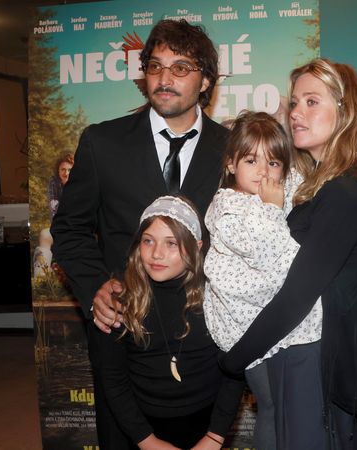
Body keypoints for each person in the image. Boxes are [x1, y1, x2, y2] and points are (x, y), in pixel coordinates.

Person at [51, 19, 228, 449]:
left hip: (204, 346)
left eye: (181, 68)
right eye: (155, 66)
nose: (164, 78)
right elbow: (69, 228)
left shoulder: (233, 150)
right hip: (122, 338)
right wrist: (96, 287)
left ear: (206, 80)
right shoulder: (102, 142)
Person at [219, 59, 357, 450]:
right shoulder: (331, 184)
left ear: (346, 111)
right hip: (311, 359)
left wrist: (234, 360)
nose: (296, 112)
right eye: (295, 103)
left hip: (316, 364)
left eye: (312, 101)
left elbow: (296, 297)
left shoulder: (344, 192)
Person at [202, 111, 322, 450]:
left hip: (276, 324)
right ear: (231, 164)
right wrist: (272, 207)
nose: (263, 172)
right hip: (246, 330)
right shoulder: (228, 207)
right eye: (251, 160)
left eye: (273, 163)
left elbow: (300, 183)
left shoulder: (277, 190)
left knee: (290, 408)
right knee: (271, 406)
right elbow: (273, 255)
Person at [95, 196, 243, 450]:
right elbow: (113, 378)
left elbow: (234, 371)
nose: (157, 253)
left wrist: (215, 436)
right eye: (148, 241)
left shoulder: (218, 298)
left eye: (171, 243)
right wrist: (147, 441)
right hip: (142, 428)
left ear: (196, 247)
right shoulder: (120, 301)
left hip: (208, 425)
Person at [47, 153, 74, 218]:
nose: (66, 173)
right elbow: (53, 206)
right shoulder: (53, 181)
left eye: (70, 170)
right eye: (63, 169)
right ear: (58, 170)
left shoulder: (78, 182)